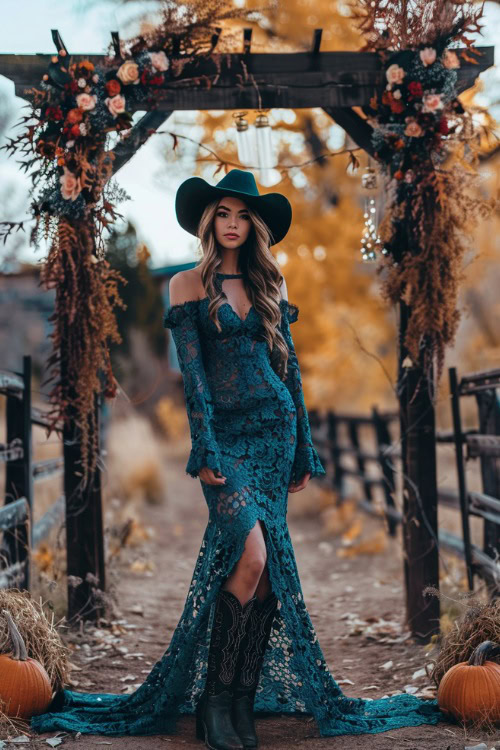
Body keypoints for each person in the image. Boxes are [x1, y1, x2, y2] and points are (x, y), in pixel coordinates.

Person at [30, 169, 445, 746]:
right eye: (223, 214)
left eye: (242, 216)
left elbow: (290, 374)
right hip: (225, 440)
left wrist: (302, 447)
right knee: (250, 554)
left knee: (270, 571)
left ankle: (238, 703)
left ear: (254, 226)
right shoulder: (185, 287)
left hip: (274, 438)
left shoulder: (270, 286)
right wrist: (203, 447)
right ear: (209, 221)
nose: (232, 224)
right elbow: (195, 379)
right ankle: (211, 701)